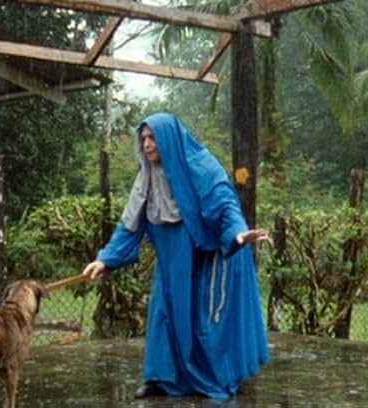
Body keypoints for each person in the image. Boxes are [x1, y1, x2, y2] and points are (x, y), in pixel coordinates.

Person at [82, 111, 271, 400]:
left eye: (152, 138)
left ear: (167, 139)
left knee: (202, 317)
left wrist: (238, 233)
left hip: (205, 253)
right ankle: (159, 378)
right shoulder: (145, 177)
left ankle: (209, 376)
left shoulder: (201, 165)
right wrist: (106, 259)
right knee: (163, 312)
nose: (146, 145)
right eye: (143, 138)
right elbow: (130, 223)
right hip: (171, 257)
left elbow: (225, 204)